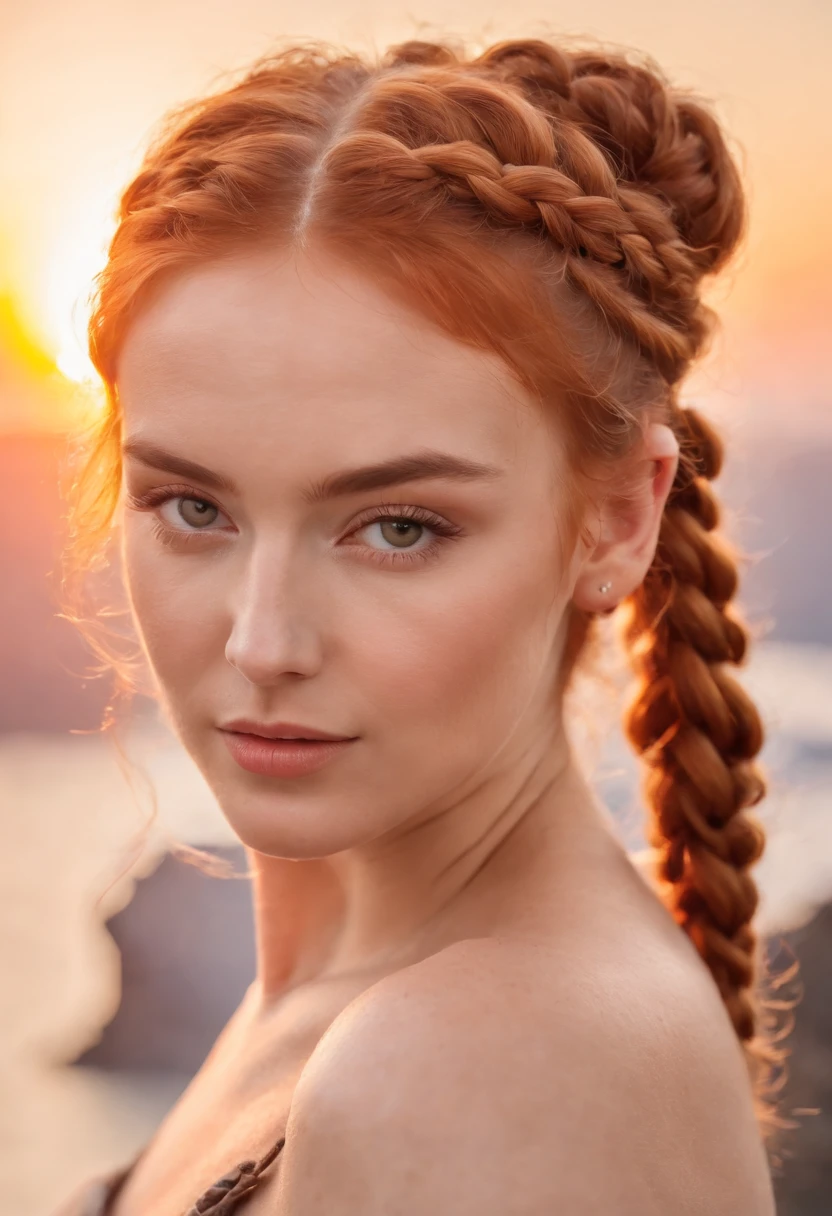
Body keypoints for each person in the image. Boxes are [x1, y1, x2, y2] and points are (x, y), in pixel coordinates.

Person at [54, 33, 786, 1215]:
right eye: (194, 507)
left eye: (396, 527)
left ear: (613, 519)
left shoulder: (468, 1073)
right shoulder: (357, 1002)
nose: (263, 641)